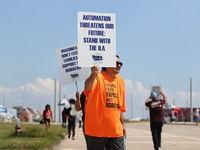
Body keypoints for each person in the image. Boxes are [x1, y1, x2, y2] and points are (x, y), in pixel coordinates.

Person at [84, 55, 126, 150]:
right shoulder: (97, 77)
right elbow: (87, 88)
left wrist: (122, 124)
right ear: (107, 65)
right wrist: (93, 74)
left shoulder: (120, 81)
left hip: (115, 130)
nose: (118, 65)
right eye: (116, 63)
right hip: (97, 131)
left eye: (120, 64)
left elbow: (119, 106)